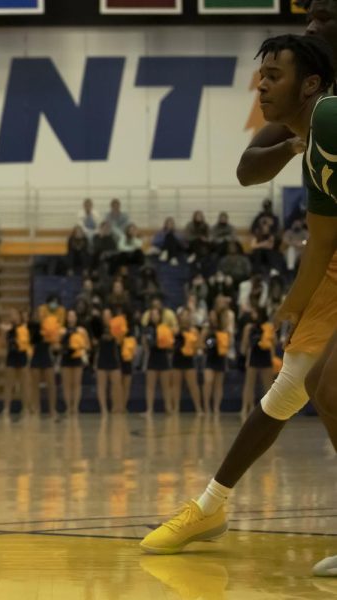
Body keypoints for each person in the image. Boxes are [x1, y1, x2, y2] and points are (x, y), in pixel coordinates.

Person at [141, 34, 337, 563]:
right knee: (302, 383)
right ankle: (211, 506)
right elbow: (313, 231)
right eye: (263, 74)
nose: (262, 84)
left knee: (323, 385)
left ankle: (211, 504)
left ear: (311, 79)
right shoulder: (315, 124)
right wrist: (295, 304)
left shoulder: (330, 114)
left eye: (274, 75)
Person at [240, 308, 275, 417]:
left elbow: (273, 342)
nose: (252, 314)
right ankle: (246, 408)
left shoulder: (269, 326)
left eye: (254, 312)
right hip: (254, 355)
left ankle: (269, 408)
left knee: (268, 385)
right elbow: (246, 344)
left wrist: (273, 358)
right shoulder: (249, 327)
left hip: (265, 355)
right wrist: (245, 357)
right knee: (249, 384)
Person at [28, 304, 60, 417]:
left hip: (46, 354)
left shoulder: (49, 325)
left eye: (41, 314)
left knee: (51, 384)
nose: (39, 316)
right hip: (36, 355)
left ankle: (52, 409)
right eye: (36, 314)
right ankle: (36, 408)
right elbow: (30, 342)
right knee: (34, 385)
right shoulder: (30, 327)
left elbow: (54, 343)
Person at [171, 310, 203, 415]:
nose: (185, 318)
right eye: (183, 316)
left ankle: (198, 408)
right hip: (177, 359)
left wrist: (193, 348)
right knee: (176, 385)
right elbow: (170, 344)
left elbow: (199, 345)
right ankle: (175, 408)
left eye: (187, 316)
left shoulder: (194, 331)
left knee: (193, 385)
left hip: (189, 360)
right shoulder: (175, 330)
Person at [143, 307, 173, 415]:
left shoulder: (165, 328)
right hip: (152, 357)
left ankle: (168, 407)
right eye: (152, 314)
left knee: (166, 385)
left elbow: (169, 343)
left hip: (163, 356)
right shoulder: (147, 329)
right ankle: (149, 409)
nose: (154, 316)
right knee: (150, 385)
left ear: (160, 316)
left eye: (156, 314)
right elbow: (146, 343)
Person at [59, 309, 89, 415]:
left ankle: (76, 407)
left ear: (76, 318)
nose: (71, 318)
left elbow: (87, 346)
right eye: (69, 316)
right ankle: (68, 406)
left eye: (73, 316)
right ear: (67, 318)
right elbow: (57, 346)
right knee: (66, 384)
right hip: (66, 358)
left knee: (76, 384)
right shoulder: (61, 331)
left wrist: (80, 348)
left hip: (77, 358)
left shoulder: (82, 331)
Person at [1, 308, 31, 416]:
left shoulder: (24, 328)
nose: (12, 317)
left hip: (22, 355)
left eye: (14, 314)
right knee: (9, 383)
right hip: (11, 356)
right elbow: (3, 344)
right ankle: (6, 407)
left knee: (25, 383)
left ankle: (26, 407)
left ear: (19, 316)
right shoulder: (7, 329)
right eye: (10, 315)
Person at [94, 308, 123, 415]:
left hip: (113, 358)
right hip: (101, 357)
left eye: (108, 315)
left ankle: (116, 407)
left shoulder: (116, 326)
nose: (106, 317)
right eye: (104, 315)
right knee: (101, 385)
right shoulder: (98, 328)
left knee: (116, 384)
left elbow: (120, 341)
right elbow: (95, 342)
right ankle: (103, 409)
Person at [202, 309, 229, 416]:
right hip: (210, 358)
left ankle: (216, 408)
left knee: (218, 384)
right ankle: (206, 407)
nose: (212, 317)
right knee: (208, 381)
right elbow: (199, 344)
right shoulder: (206, 330)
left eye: (214, 315)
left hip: (220, 358)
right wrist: (208, 345)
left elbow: (228, 345)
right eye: (210, 315)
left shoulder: (223, 330)